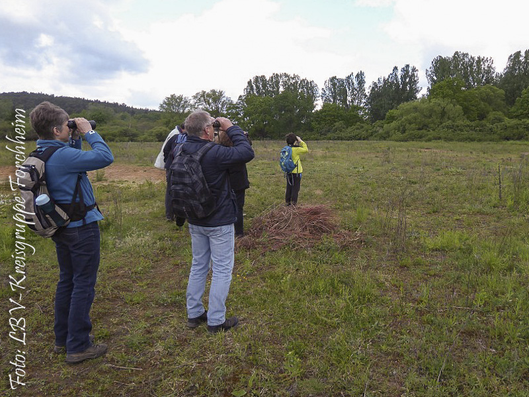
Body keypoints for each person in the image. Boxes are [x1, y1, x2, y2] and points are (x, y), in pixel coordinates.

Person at [30, 101, 114, 364]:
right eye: (66, 126)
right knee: (83, 285)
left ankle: (61, 338)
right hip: (81, 229)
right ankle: (78, 345)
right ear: (57, 130)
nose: (71, 128)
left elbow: (72, 168)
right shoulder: (63, 156)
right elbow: (105, 157)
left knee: (67, 280)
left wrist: (74, 138)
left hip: (62, 228)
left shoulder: (42, 153)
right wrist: (89, 132)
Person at [182, 110, 254, 333]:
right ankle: (216, 320)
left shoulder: (180, 148)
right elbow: (246, 152)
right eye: (211, 127)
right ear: (206, 130)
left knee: (199, 265)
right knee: (222, 269)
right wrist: (230, 127)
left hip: (194, 217)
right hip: (219, 220)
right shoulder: (215, 152)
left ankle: (194, 313)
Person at [216, 129, 251, 237]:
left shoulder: (219, 150)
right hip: (238, 182)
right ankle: (239, 233)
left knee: (223, 206)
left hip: (224, 182)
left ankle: (224, 229)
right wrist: (244, 137)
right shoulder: (239, 151)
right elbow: (248, 147)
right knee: (238, 208)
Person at [163, 123, 187, 225]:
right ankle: (179, 215)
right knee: (183, 191)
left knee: (170, 190)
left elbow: (166, 149)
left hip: (171, 167)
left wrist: (168, 161)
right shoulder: (191, 138)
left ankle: (170, 215)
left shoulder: (174, 137)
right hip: (182, 168)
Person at [284, 133, 308, 205]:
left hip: (288, 171)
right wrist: (300, 141)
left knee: (289, 187)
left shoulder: (286, 149)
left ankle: (287, 202)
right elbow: (306, 150)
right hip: (296, 171)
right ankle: (294, 203)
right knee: (295, 188)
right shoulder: (296, 149)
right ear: (295, 141)